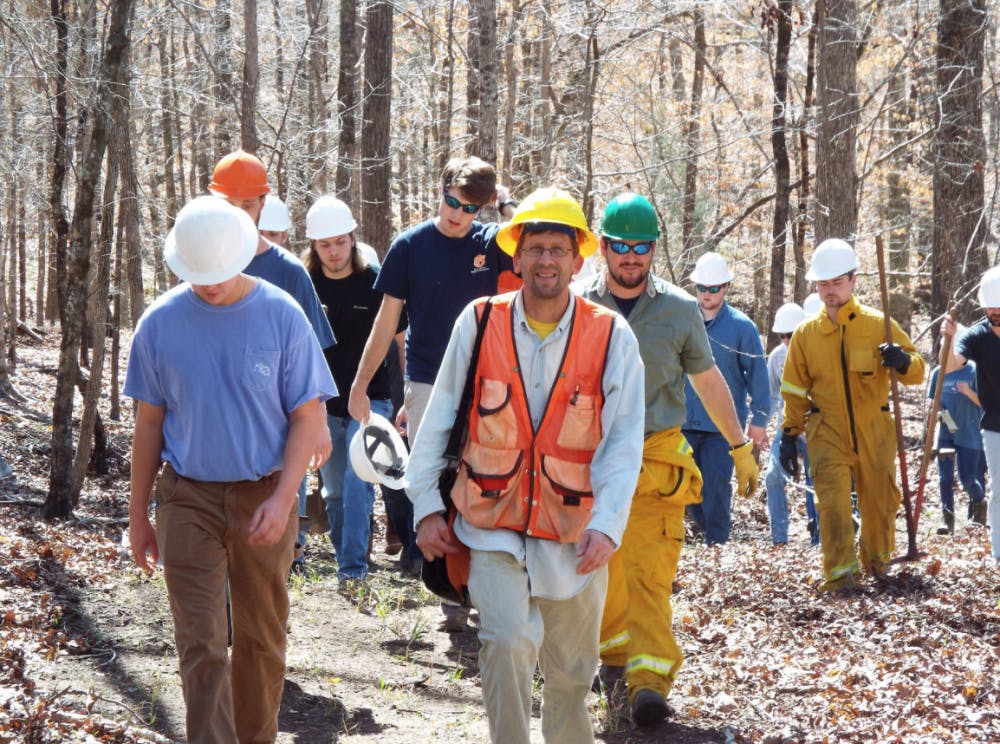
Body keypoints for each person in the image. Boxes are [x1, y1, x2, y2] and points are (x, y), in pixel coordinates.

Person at [406, 188, 644, 744]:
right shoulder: (480, 320)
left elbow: (624, 440)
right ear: (517, 256)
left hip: (575, 532)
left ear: (578, 258)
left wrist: (609, 524)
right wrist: (425, 509)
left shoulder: (611, 335)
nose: (545, 261)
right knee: (507, 641)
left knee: (569, 675)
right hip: (490, 523)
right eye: (535, 248)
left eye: (557, 250)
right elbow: (438, 418)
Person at [125, 196, 336, 742]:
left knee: (261, 641)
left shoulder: (282, 315)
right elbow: (148, 426)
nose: (210, 285)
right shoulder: (159, 324)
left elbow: (307, 415)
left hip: (264, 491)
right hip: (187, 496)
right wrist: (138, 516)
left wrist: (286, 495)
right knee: (201, 641)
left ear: (241, 257)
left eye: (219, 274)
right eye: (199, 276)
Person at [577, 193, 758, 727]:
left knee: (651, 574)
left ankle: (650, 681)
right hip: (591, 458)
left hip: (657, 456)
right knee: (600, 571)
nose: (630, 256)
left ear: (655, 247)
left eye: (641, 246)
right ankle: (614, 663)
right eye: (620, 246)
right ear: (604, 247)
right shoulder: (576, 303)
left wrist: (739, 445)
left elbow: (707, 380)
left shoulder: (679, 309)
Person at [347, 155, 516, 631]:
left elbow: (535, 244)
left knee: (484, 478)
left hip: (487, 381)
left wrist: (505, 207)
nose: (456, 213)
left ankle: (482, 586)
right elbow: (385, 323)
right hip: (425, 378)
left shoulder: (493, 242)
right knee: (433, 481)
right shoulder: (410, 246)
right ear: (439, 189)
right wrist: (361, 386)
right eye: (450, 201)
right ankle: (447, 589)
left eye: (468, 207)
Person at [209, 150, 336, 573]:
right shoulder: (198, 260)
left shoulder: (289, 272)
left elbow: (312, 355)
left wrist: (317, 420)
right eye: (230, 206)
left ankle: (282, 575)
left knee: (266, 554)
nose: (240, 215)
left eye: (248, 205)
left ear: (263, 204)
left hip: (279, 431)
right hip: (214, 429)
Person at [780, 238, 925, 592]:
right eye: (823, 284)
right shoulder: (805, 334)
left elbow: (919, 371)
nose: (830, 291)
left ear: (853, 279)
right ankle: (841, 576)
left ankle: (877, 564)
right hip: (826, 430)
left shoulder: (880, 324)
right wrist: (789, 432)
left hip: (875, 430)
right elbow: (794, 389)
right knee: (832, 505)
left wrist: (903, 361)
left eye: (837, 282)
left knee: (879, 503)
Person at [303, 195, 407, 586]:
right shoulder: (306, 285)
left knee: (358, 487)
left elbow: (400, 343)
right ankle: (349, 552)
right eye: (325, 244)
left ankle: (352, 570)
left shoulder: (375, 282)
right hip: (323, 405)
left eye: (340, 242)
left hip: (371, 399)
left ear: (352, 238)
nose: (333, 251)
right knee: (333, 494)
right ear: (314, 246)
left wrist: (404, 399)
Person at [682, 251, 770, 544]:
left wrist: (759, 420)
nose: (707, 294)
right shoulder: (682, 320)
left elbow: (758, 376)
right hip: (682, 422)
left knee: (716, 488)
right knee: (690, 491)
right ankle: (708, 535)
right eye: (701, 288)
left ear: (726, 287)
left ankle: (717, 544)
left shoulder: (742, 327)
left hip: (722, 427)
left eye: (714, 288)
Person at [941, 265, 1000, 563]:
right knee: (999, 488)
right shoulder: (976, 335)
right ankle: (999, 553)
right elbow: (952, 366)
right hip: (993, 424)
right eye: (992, 309)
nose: (996, 314)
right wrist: (949, 338)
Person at [764, 302, 819, 545]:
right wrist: (761, 426)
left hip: (815, 431)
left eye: (790, 334)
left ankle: (818, 537)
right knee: (773, 476)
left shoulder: (817, 353)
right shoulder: (776, 357)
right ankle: (779, 540)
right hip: (785, 429)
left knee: (814, 481)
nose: (786, 340)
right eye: (782, 335)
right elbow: (772, 396)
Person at [927, 336, 986, 534]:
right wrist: (936, 412)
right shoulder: (938, 373)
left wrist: (968, 392)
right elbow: (931, 403)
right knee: (944, 478)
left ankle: (979, 503)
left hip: (970, 433)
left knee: (967, 480)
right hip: (946, 433)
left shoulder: (974, 372)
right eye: (944, 349)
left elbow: (987, 404)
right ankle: (948, 521)